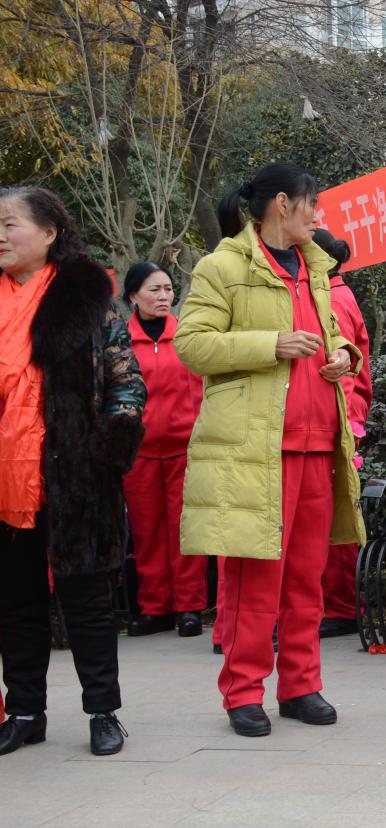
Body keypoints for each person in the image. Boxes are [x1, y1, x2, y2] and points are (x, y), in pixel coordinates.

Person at [175, 163, 365, 738]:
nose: (319, 215)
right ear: (283, 203)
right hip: (254, 448)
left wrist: (344, 358)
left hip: (315, 442)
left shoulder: (316, 267)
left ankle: (302, 685)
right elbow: (192, 344)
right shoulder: (223, 266)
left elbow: (337, 336)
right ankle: (243, 692)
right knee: (253, 580)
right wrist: (270, 344)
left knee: (306, 577)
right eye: (314, 204)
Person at [0, 186, 144, 756]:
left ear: (50, 232)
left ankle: (103, 712)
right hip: (7, 479)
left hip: (76, 473)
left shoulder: (88, 296)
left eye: (10, 224)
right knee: (17, 602)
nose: (2, 235)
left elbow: (126, 380)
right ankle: (26, 712)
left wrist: (108, 449)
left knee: (86, 601)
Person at [121, 262, 207, 639]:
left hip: (185, 447)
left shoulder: (188, 335)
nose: (163, 296)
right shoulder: (120, 342)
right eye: (154, 290)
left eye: (168, 289)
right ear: (133, 296)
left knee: (184, 530)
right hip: (137, 452)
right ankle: (154, 607)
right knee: (147, 532)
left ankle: (189, 608)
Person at [310, 230, 373, 640]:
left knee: (334, 519)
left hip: (338, 421)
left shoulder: (332, 297)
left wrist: (345, 424)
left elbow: (344, 371)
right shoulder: (335, 293)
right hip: (342, 418)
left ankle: (344, 605)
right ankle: (340, 603)